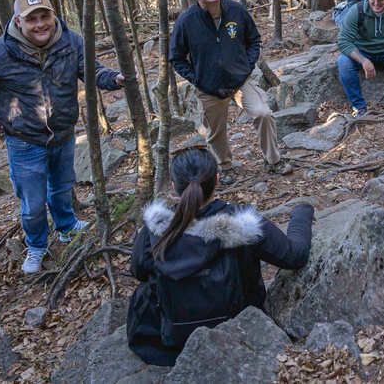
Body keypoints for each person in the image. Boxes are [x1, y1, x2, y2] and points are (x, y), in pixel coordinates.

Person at [0, 0, 125, 274]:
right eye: (31, 19)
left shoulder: (70, 41)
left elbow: (91, 70)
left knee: (61, 186)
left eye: (44, 16)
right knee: (32, 204)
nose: (40, 24)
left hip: (63, 133)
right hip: (25, 142)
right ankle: (36, 245)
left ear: (53, 14)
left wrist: (115, 79)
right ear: (19, 22)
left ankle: (67, 227)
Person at [126, 147, 313, 366]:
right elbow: (296, 256)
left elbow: (138, 271)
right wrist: (302, 213)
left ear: (174, 186)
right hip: (238, 332)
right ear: (217, 178)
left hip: (165, 343)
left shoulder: (155, 230)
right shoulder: (243, 224)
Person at [170, 0, 291, 183]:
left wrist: (246, 65)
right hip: (209, 87)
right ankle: (225, 168)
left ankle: (273, 161)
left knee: (263, 113)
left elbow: (254, 40)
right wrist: (198, 79)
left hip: (240, 80)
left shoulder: (236, 10)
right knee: (216, 132)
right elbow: (176, 58)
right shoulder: (186, 21)